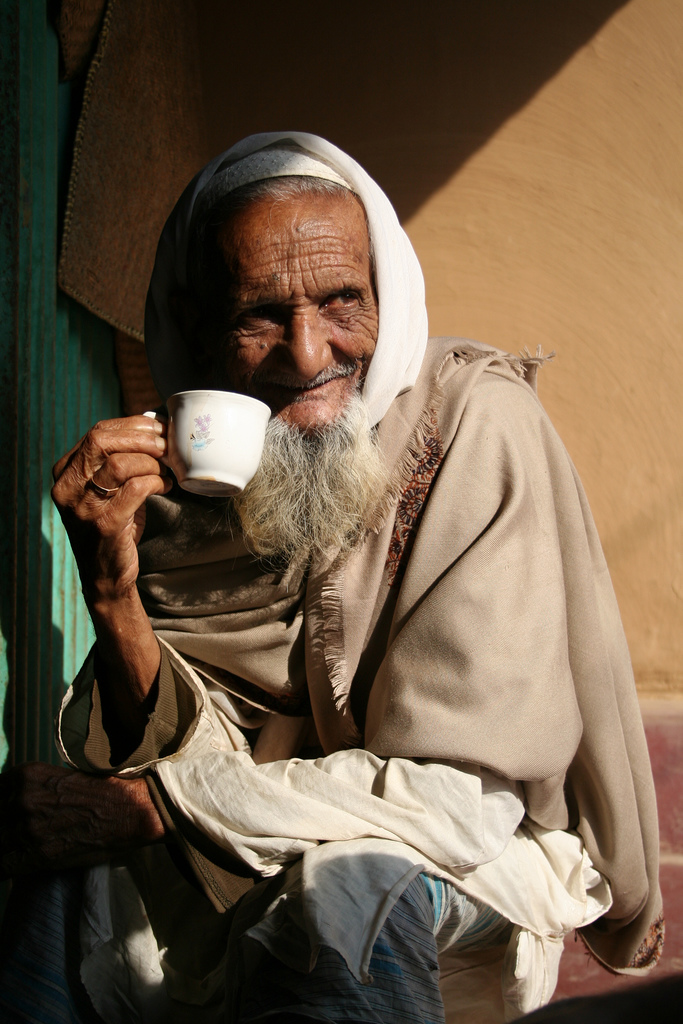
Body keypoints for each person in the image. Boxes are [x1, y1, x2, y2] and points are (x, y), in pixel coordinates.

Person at [0, 133, 662, 1024]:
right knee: (62, 901)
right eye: (257, 315)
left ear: (386, 296)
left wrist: (158, 809)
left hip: (469, 847)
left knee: (340, 896)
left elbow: (458, 802)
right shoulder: (192, 477)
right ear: (197, 329)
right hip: (243, 828)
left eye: (341, 301)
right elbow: (178, 756)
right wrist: (113, 593)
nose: (308, 354)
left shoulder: (474, 426)